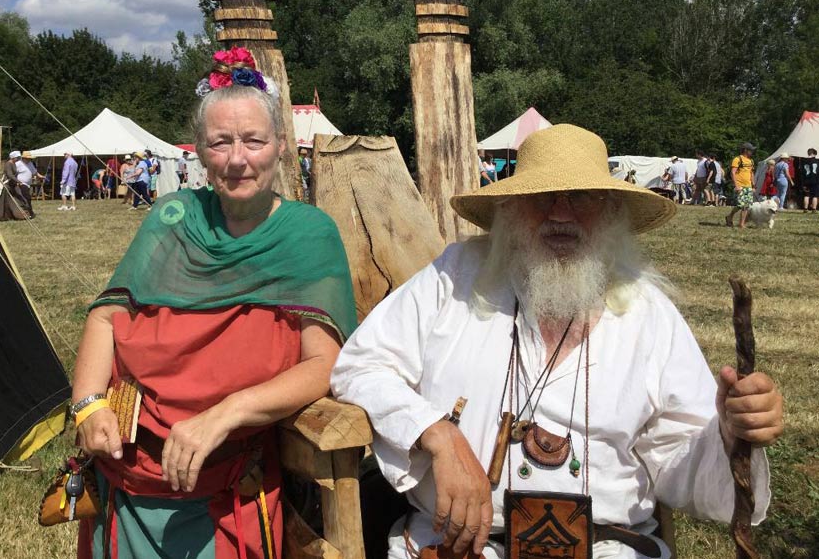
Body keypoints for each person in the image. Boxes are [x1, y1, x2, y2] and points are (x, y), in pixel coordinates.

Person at [331, 124, 783, 559]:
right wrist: (436, 432)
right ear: (509, 209)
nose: (561, 214)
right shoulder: (456, 279)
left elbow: (687, 463)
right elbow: (359, 367)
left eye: (582, 197)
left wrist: (732, 434)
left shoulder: (648, 314)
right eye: (542, 197)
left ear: (611, 212)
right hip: (459, 546)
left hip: (607, 548)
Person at [71, 46, 356, 559]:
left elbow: (324, 364)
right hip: (127, 467)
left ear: (280, 146)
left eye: (253, 140)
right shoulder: (172, 215)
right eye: (221, 143)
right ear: (200, 151)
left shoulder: (309, 234)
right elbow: (107, 315)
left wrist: (228, 412)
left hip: (227, 481)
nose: (239, 159)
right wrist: (88, 404)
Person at [726, 143, 756, 228]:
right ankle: (730, 216)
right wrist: (736, 185)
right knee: (740, 205)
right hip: (740, 186)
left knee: (746, 206)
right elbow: (733, 172)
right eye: (751, 150)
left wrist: (753, 186)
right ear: (745, 150)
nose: (752, 152)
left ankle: (741, 224)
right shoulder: (737, 159)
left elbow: (751, 173)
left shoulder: (751, 161)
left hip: (748, 186)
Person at [15, 151, 38, 217]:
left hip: (28, 184)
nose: (29, 159)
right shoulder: (18, 164)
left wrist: (40, 176)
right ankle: (29, 213)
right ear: (24, 158)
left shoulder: (30, 163)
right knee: (27, 198)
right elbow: (14, 173)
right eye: (28, 158)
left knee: (27, 198)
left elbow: (34, 172)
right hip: (21, 184)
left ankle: (29, 212)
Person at [802, 147, 819, 212]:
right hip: (815, 180)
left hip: (806, 180)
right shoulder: (817, 161)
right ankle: (814, 209)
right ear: (814, 154)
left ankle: (805, 209)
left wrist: (803, 182)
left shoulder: (804, 161)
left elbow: (802, 173)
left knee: (806, 195)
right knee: (815, 195)